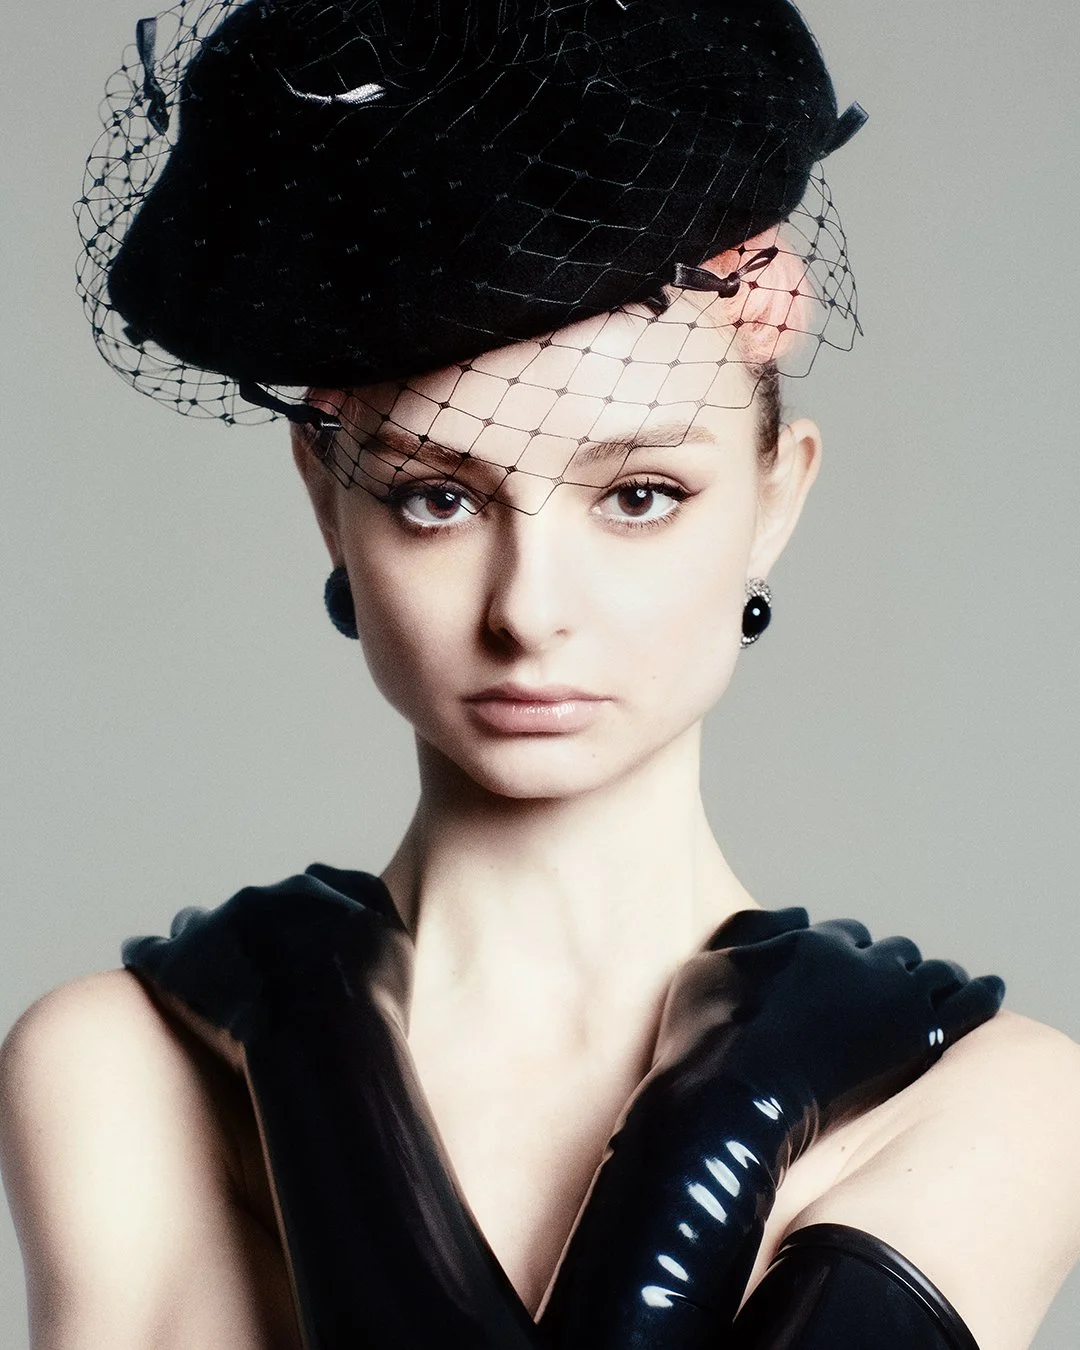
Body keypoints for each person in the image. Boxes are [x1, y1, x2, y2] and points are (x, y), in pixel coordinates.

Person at [1, 1, 1079, 1347]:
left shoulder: (997, 1099)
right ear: (327, 504)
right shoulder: (121, 1068)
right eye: (437, 499)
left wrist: (715, 1116)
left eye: (637, 494)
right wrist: (323, 1054)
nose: (530, 610)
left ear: (773, 499)